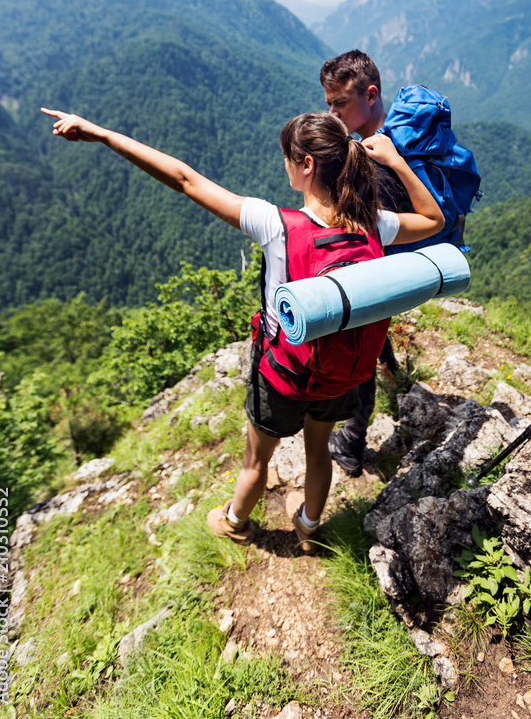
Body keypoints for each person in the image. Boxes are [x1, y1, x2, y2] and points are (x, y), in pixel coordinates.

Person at [41, 106, 444, 551]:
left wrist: (101, 134)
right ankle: (309, 527)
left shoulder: (276, 225)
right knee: (317, 453)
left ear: (306, 166)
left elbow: (184, 179)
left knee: (256, 459)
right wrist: (394, 160)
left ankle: (234, 522)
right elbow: (433, 221)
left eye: (288, 158)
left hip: (283, 376)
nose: (285, 165)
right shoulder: (374, 224)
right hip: (339, 375)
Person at [320, 49, 438, 477]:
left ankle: (351, 443)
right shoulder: (377, 142)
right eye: (328, 102)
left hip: (379, 268)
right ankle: (390, 366)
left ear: (371, 95)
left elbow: (374, 243)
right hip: (390, 256)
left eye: (340, 103)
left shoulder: (377, 164)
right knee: (373, 336)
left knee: (361, 344)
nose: (330, 112)